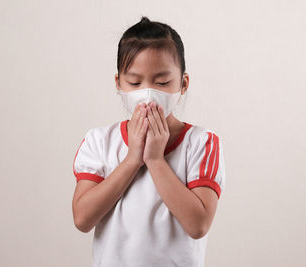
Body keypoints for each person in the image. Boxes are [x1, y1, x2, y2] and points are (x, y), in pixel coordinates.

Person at [72, 16, 226, 267]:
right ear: (118, 83)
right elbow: (82, 219)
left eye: (162, 82)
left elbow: (198, 225)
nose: (147, 94)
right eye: (134, 82)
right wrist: (133, 159)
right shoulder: (99, 141)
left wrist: (154, 160)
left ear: (183, 84)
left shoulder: (201, 143)